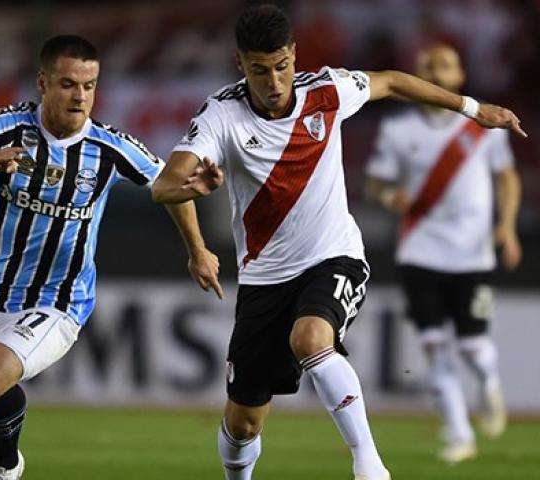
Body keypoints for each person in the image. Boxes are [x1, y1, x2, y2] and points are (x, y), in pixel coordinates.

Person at [151, 5, 525, 480]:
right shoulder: (221, 114)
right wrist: (196, 226)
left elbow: (390, 81)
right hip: (264, 277)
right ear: (240, 63)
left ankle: (369, 465)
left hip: (334, 255)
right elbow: (165, 185)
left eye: (281, 67)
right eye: (259, 71)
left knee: (310, 338)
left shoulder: (327, 90)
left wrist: (472, 109)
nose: (273, 82)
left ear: (294, 55)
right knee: (243, 422)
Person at [0, 35, 220, 480]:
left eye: (89, 85)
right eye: (67, 84)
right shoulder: (6, 128)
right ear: (43, 83)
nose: (79, 95)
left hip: (59, 301)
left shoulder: (109, 147)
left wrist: (197, 248)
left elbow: (167, 187)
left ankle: (6, 463)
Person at [365, 44, 522, 463]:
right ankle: (458, 433)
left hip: (473, 253)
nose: (435, 70)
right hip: (420, 249)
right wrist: (388, 196)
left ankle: (488, 385)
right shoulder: (398, 131)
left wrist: (506, 225)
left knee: (472, 346)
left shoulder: (480, 127)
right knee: (433, 344)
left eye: (445, 65)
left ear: (460, 76)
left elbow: (507, 179)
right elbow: (375, 184)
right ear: (415, 78)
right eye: (427, 66)